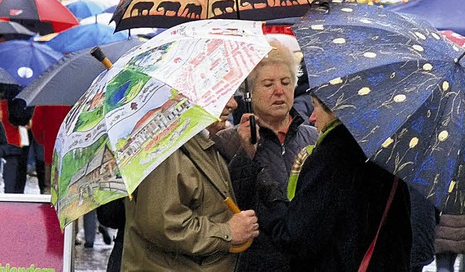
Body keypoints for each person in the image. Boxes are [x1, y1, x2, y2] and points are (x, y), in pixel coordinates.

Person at [254, 94, 413, 271]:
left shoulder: (331, 157)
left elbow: (297, 238)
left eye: (316, 106)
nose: (312, 117)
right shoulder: (390, 154)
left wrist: (271, 199)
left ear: (338, 110)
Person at [214, 37, 318, 272]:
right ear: (250, 92)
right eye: (268, 84)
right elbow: (228, 204)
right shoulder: (226, 142)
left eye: (286, 82)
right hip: (255, 262)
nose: (279, 91)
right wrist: (246, 152)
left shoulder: (313, 138)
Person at [121, 97, 259, 271]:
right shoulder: (167, 150)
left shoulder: (199, 143)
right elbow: (163, 224)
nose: (233, 104)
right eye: (223, 95)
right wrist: (227, 232)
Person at [0, 85, 32, 193]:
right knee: (14, 182)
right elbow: (21, 119)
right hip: (14, 143)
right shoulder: (13, 102)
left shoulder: (3, 105)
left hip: (10, 144)